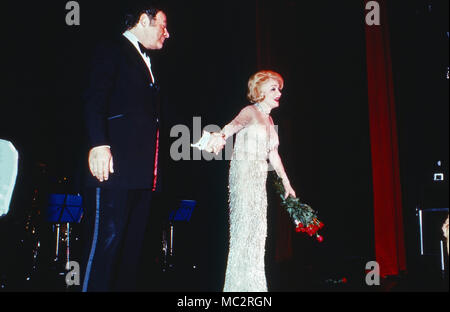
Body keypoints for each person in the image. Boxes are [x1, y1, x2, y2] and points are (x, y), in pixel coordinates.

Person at [81, 3, 170, 291]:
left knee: (129, 256)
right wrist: (98, 144)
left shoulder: (148, 62)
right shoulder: (112, 48)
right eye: (162, 26)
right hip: (113, 168)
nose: (167, 34)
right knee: (104, 249)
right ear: (144, 20)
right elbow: (95, 98)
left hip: (142, 175)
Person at [193, 70, 296, 292]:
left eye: (279, 89)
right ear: (260, 92)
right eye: (273, 89)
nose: (278, 93)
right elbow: (232, 127)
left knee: (258, 232)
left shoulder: (269, 119)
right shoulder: (250, 111)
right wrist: (218, 138)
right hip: (244, 175)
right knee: (244, 231)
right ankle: (237, 289)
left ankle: (254, 287)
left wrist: (286, 183)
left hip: (259, 179)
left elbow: (273, 155)